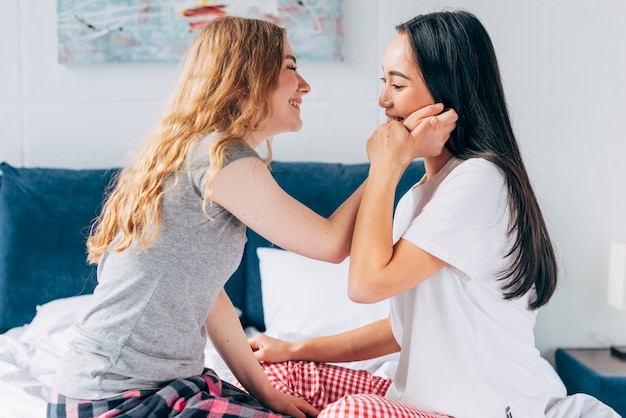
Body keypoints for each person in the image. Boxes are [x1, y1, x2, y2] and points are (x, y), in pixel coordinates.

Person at [47, 16, 457, 418]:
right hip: (115, 401)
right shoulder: (222, 159)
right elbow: (332, 245)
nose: (305, 85)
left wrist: (267, 393)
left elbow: (208, 295)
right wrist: (392, 161)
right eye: (291, 68)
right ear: (247, 77)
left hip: (130, 389)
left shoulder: (199, 153)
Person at [247, 10, 559, 418]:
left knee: (352, 412)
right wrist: (294, 349)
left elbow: (364, 285)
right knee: (278, 378)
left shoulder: (481, 181)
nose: (383, 100)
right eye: (384, 81)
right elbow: (402, 329)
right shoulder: (420, 194)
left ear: (447, 95)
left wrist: (389, 165)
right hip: (416, 402)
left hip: (485, 409)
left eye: (397, 84)